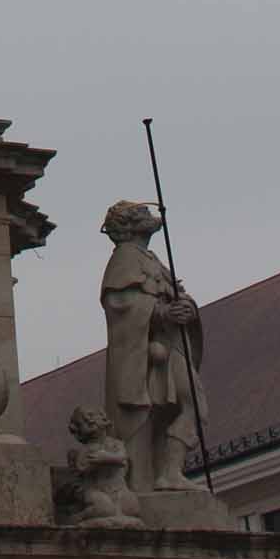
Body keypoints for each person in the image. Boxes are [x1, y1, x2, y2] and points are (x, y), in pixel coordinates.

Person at [99, 199, 206, 492]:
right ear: (129, 224)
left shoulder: (150, 258)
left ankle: (170, 472)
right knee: (157, 414)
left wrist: (188, 309)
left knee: (192, 406)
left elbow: (176, 296)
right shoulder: (124, 258)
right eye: (142, 212)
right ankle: (162, 475)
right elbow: (120, 303)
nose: (150, 214)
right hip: (146, 352)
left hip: (168, 346)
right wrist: (162, 312)